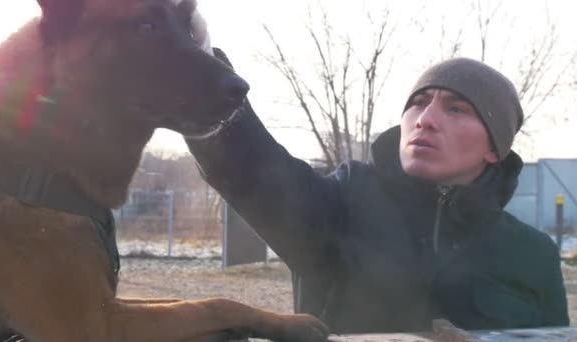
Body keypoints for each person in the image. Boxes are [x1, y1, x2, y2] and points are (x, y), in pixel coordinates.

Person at [184, 49, 569, 334]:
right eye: (418, 103)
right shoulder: (345, 201)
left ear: (494, 149)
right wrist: (195, 71)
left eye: (456, 109)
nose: (426, 120)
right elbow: (249, 169)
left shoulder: (532, 254)